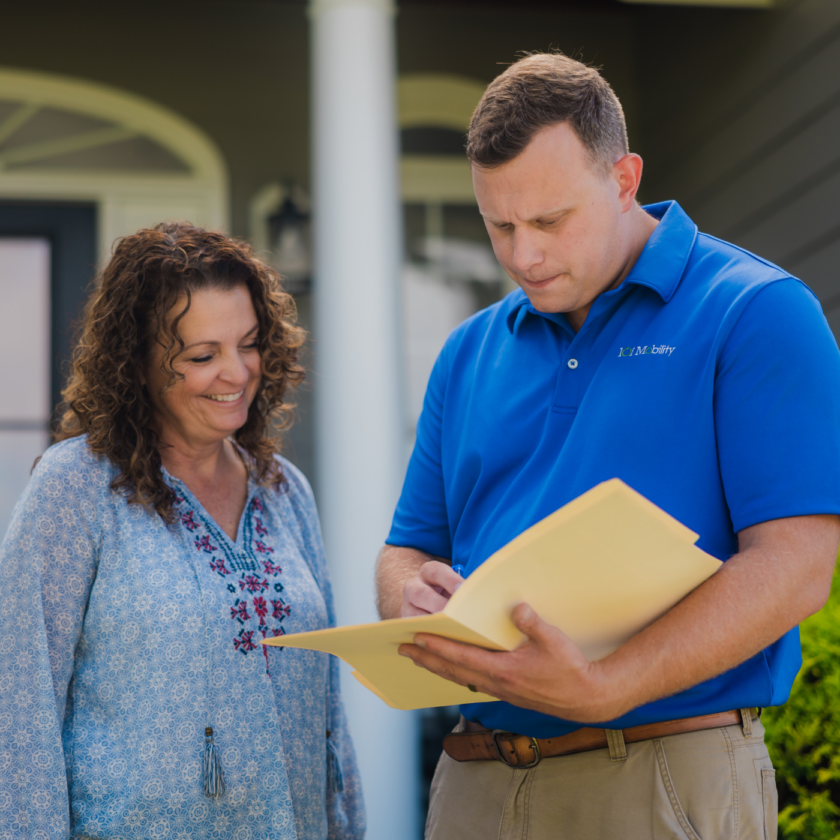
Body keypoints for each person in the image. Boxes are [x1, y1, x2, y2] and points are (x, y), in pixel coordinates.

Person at [376, 52, 840, 839]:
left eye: (551, 221)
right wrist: (407, 595)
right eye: (499, 225)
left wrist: (608, 685)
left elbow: (797, 567)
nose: (524, 256)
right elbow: (408, 547)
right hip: (474, 785)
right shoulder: (467, 350)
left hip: (661, 776)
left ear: (624, 179)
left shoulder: (757, 313)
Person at [0, 223, 365, 839]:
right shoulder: (76, 487)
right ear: (137, 364)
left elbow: (329, 713)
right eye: (201, 356)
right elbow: (19, 706)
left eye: (248, 344)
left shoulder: (284, 491)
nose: (236, 373)